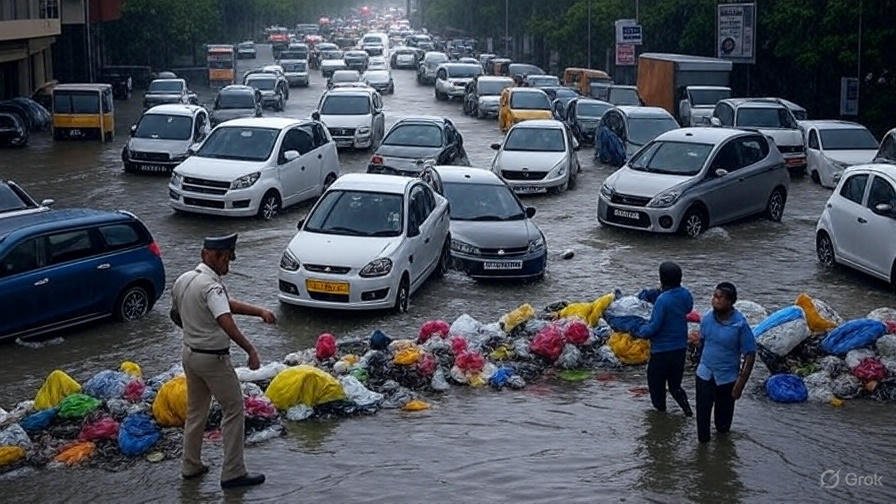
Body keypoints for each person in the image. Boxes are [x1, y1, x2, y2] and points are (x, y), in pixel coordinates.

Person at [171, 233, 276, 489]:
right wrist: (250, 350)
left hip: (190, 354)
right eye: (227, 260)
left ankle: (191, 465)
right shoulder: (211, 286)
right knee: (234, 409)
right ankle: (233, 472)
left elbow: (177, 314)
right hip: (213, 359)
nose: (228, 266)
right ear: (214, 256)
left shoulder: (185, 280)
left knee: (196, 412)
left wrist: (258, 311)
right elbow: (225, 320)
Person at [695, 282, 756, 443]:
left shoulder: (739, 324)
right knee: (702, 420)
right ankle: (703, 457)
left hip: (727, 380)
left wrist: (740, 384)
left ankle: (722, 457)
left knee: (722, 427)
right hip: (704, 375)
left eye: (719, 297)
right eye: (714, 296)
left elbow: (750, 355)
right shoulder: (707, 319)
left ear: (730, 302)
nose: (714, 300)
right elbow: (702, 343)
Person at [634, 262, 694, 416]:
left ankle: (661, 419)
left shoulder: (662, 300)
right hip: (680, 349)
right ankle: (688, 412)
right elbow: (688, 309)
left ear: (661, 279)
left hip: (661, 352)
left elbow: (654, 327)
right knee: (675, 386)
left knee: (656, 387)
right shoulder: (685, 294)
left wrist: (639, 330)